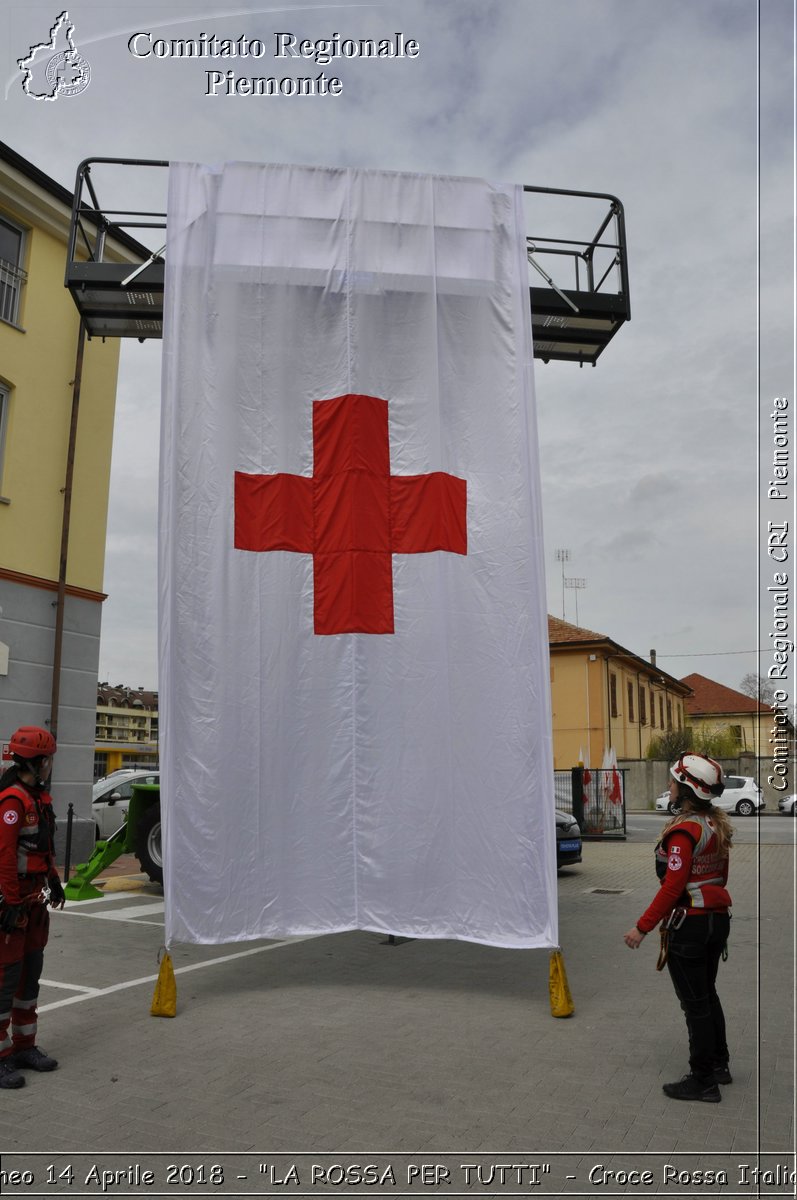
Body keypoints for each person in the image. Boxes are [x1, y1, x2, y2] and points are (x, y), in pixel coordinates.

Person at [623, 752, 733, 1103]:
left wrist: (641, 928)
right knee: (708, 995)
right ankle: (719, 1066)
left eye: (673, 781)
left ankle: (702, 1081)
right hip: (717, 923)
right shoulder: (715, 825)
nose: (668, 785)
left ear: (686, 791)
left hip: (690, 928)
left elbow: (673, 887)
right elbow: (721, 877)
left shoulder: (684, 831)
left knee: (695, 1004)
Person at [0, 725, 65, 1089]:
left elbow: (43, 848)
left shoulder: (39, 799)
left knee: (30, 972)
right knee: (4, 978)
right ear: (38, 761)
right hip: (13, 901)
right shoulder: (13, 800)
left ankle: (24, 1046)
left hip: (34, 900)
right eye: (48, 760)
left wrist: (53, 879)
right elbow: (5, 856)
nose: (50, 766)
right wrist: (9, 902)